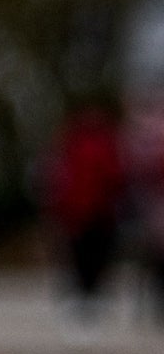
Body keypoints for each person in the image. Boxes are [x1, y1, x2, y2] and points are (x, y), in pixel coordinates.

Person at [43, 101, 126, 315]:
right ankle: (86, 293)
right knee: (86, 255)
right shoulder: (81, 144)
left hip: (92, 211)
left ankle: (89, 293)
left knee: (89, 254)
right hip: (84, 211)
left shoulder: (81, 143)